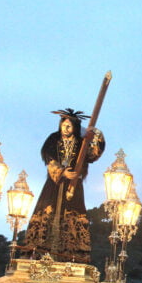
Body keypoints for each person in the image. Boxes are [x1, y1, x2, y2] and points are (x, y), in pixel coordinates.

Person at [23, 108, 105, 262]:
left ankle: (70, 256)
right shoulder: (53, 139)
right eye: (63, 125)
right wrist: (62, 172)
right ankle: (39, 253)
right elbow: (49, 158)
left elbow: (93, 155)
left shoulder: (81, 142)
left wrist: (96, 135)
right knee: (47, 214)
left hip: (74, 186)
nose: (65, 129)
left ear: (75, 127)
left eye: (69, 126)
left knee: (72, 217)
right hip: (54, 184)